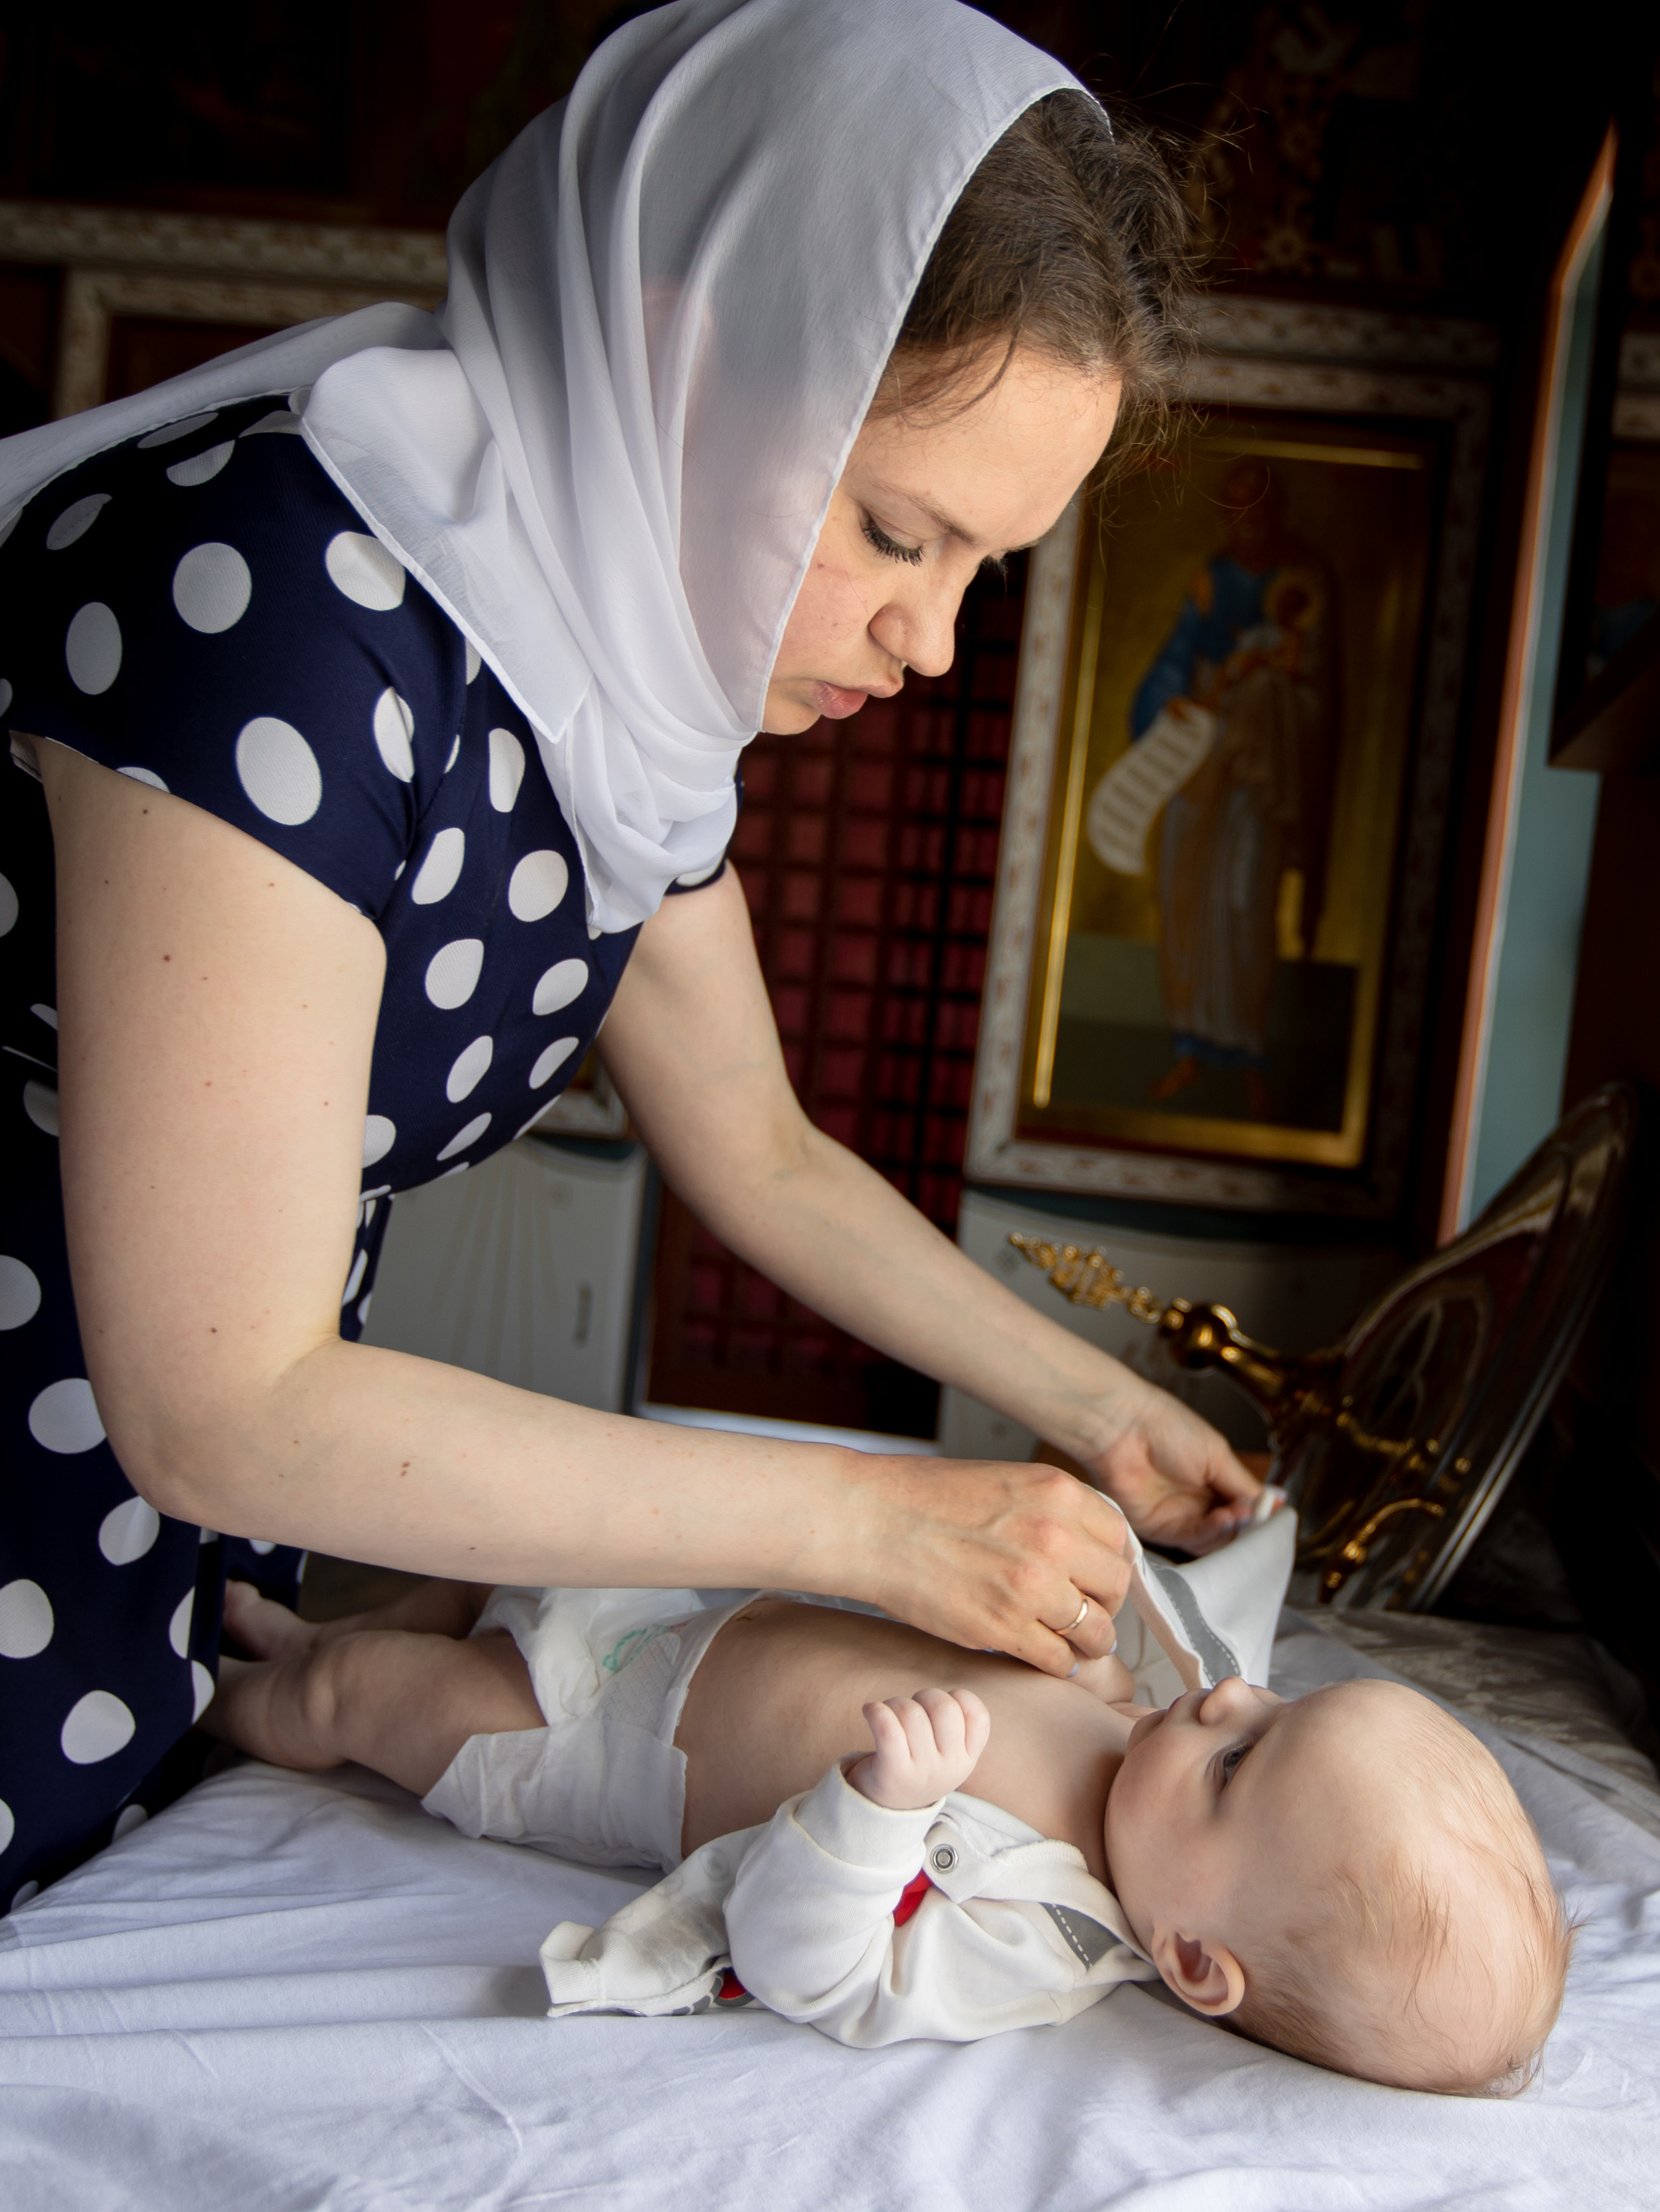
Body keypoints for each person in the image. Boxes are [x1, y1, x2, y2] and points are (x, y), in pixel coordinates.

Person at [0, 0, 1260, 1909]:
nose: (931, 645)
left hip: (144, 1531)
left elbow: (754, 1147)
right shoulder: (278, 607)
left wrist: (1091, 1408)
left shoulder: (606, 701)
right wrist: (878, 1521)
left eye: (980, 573)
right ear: (690, 356)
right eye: (897, 533)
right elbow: (223, 1399)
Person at [202, 1522, 1571, 2095]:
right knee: (459, 1574)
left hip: (586, 1736)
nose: (1224, 1702)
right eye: (1271, 1704)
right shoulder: (1131, 1734)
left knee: (378, 1702)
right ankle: (298, 1630)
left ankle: (217, 1699)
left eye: (1238, 1763)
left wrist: (870, 1814)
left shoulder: (1035, 1925)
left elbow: (811, 1965)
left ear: (1193, 1958)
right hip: (674, 1607)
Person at [1130, 458, 1338, 1121]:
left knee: (1245, 904)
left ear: (1274, 511)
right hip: (1201, 768)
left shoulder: (1304, 588)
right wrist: (1173, 706)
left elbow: (1320, 702)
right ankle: (1189, 1046)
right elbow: (1172, 667)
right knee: (1186, 896)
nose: (1238, 521)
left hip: (1257, 781)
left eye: (1251, 507)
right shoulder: (1210, 583)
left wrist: (1262, 689)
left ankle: (1247, 1051)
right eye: (1229, 507)